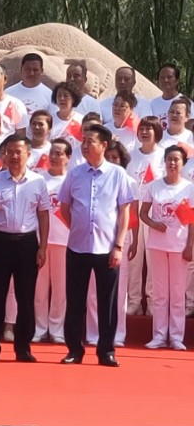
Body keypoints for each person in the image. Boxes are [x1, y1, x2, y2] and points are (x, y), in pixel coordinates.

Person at [59, 124, 134, 367]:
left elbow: (124, 211)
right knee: (75, 301)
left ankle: (106, 351)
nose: (84, 145)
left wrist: (119, 245)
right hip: (77, 247)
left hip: (107, 248)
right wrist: (78, 227)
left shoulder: (117, 174)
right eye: (83, 140)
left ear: (103, 145)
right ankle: (74, 349)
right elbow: (65, 207)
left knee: (107, 303)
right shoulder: (75, 173)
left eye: (90, 141)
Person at [0, 134, 50, 362]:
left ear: (28, 154)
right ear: (4, 155)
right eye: (10, 152)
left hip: (27, 243)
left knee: (25, 298)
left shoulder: (38, 182)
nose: (14, 156)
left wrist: (43, 247)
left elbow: (43, 215)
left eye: (19, 152)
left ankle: (23, 347)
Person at [139, 145, 194, 350]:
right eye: (169, 159)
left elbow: (191, 221)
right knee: (160, 293)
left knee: (178, 293)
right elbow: (143, 213)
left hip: (179, 245)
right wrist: (153, 224)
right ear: (164, 161)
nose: (172, 163)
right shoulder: (154, 186)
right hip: (157, 245)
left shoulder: (189, 188)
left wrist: (189, 246)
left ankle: (177, 337)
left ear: (183, 163)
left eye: (176, 159)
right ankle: (159, 335)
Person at [126, 116, 166, 315]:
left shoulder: (164, 155)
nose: (144, 132)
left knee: (152, 258)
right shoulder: (131, 156)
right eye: (141, 129)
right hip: (134, 206)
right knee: (134, 256)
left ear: (156, 132)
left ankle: (152, 304)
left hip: (154, 209)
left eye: (148, 129)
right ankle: (133, 302)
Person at [34, 138, 72, 343]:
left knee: (61, 288)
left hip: (64, 240)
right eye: (52, 153)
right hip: (41, 240)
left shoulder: (72, 180)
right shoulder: (38, 179)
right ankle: (39, 328)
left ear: (68, 157)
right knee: (39, 288)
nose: (55, 157)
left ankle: (57, 329)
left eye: (59, 154)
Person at [5, 53, 53, 117]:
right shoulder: (8, 93)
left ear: (41, 71)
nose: (31, 73)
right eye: (27, 69)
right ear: (21, 69)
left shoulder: (50, 95)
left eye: (35, 70)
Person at [150, 63, 183, 128]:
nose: (165, 80)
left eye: (169, 77)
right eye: (162, 78)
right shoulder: (152, 104)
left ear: (177, 80)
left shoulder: (187, 104)